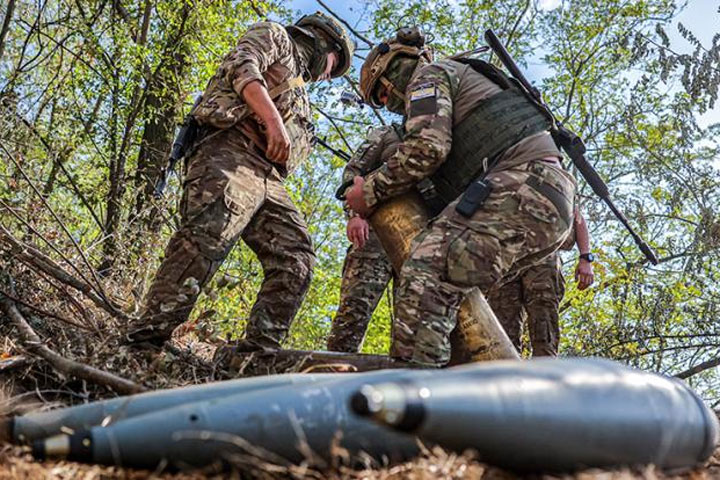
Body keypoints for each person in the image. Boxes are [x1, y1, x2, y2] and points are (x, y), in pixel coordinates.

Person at [346, 28, 576, 366]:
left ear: (396, 68)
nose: (385, 102)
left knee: (426, 273)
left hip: (519, 186)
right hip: (547, 200)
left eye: (381, 91)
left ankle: (419, 396)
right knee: (456, 295)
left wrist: (368, 192)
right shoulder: (465, 78)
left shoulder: (428, 77)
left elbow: (427, 148)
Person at [126, 13, 353, 349]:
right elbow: (242, 65)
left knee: (297, 258)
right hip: (229, 149)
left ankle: (253, 359)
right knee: (208, 237)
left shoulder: (303, 93)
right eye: (334, 66)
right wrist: (273, 121)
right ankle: (144, 342)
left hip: (269, 178)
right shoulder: (275, 35)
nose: (328, 76)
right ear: (323, 41)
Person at [327, 125, 402, 352]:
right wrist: (355, 214)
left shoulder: (442, 135)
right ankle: (334, 374)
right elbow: (353, 173)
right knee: (353, 311)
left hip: (421, 239)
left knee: (413, 325)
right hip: (375, 231)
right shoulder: (389, 133)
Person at [487, 207, 595, 357]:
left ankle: (545, 376)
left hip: (543, 259)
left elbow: (576, 216)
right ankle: (507, 377)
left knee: (544, 330)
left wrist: (585, 258)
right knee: (502, 335)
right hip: (507, 262)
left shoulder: (559, 184)